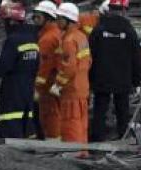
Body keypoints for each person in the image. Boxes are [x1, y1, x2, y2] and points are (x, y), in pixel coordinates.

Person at [0, 2, 39, 138]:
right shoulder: (32, 37)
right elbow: (38, 63)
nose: (5, 25)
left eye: (6, 21)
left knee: (10, 120)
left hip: (13, 88)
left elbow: (3, 64)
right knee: (26, 123)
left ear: (12, 21)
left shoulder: (13, 40)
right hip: (28, 87)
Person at [89, 0, 141, 140]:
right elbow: (136, 57)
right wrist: (137, 81)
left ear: (109, 9)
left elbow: (90, 54)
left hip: (101, 77)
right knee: (122, 111)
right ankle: (122, 138)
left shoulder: (98, 28)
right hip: (123, 78)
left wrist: (90, 78)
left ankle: (96, 140)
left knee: (99, 110)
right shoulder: (129, 30)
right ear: (124, 10)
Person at [51, 2, 93, 156]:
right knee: (82, 122)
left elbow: (69, 67)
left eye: (59, 18)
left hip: (71, 89)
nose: (57, 22)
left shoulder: (69, 40)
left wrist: (58, 84)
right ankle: (82, 151)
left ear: (67, 20)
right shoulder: (81, 36)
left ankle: (72, 153)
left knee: (70, 122)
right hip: (82, 86)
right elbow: (88, 61)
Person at [33, 0, 64, 140]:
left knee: (50, 114)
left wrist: (37, 88)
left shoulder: (48, 38)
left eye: (38, 17)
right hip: (55, 81)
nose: (35, 20)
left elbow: (43, 66)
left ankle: (53, 141)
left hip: (47, 84)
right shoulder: (56, 33)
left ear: (48, 18)